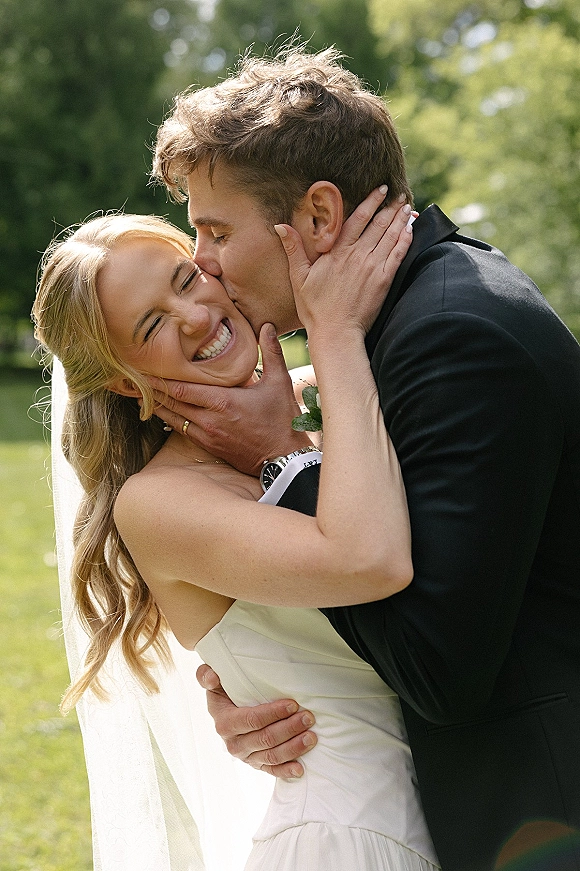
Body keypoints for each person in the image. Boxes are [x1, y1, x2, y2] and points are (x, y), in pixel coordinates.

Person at [150, 46, 580, 871]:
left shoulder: (457, 338)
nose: (201, 262)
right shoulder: (406, 324)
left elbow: (439, 666)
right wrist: (266, 682)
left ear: (316, 216)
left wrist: (282, 460)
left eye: (215, 230)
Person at [33, 202, 441, 871]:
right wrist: (288, 424)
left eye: (186, 279)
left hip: (456, 810)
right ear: (119, 378)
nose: (196, 316)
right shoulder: (160, 503)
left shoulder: (320, 399)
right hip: (353, 840)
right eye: (152, 323)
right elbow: (368, 559)